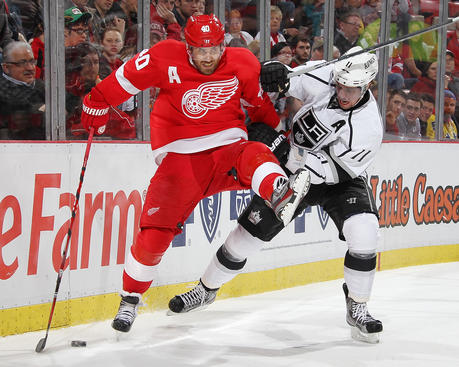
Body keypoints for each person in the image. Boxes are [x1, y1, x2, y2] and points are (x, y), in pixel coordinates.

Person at [79, 14, 311, 332]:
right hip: (180, 160)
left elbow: (260, 111)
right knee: (153, 236)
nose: (207, 57)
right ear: (187, 46)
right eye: (199, 50)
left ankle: (278, 191)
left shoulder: (242, 62)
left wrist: (273, 110)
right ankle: (130, 299)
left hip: (227, 149)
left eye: (213, 49)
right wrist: (97, 101)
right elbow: (124, 81)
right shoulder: (163, 55)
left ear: (222, 46)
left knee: (254, 154)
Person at [168, 46, 384, 344]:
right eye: (341, 86)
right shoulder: (328, 71)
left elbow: (331, 171)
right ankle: (205, 290)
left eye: (352, 89)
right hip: (294, 167)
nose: (343, 94)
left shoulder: (369, 127)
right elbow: (288, 81)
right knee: (246, 237)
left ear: (368, 85)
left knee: (365, 233)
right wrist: (275, 72)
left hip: (339, 179)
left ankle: (358, 305)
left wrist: (283, 149)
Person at [0, 41, 45, 139]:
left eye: (32, 61)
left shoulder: (40, 84)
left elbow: (70, 102)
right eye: (22, 63)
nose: (30, 68)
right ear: (6, 67)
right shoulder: (2, 89)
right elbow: (20, 106)